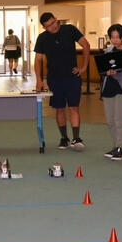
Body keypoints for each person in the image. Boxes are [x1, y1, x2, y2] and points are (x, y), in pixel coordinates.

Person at [34, 12, 90, 151]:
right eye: (48, 26)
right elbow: (38, 60)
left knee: (74, 107)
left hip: (72, 77)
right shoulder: (42, 38)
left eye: (53, 23)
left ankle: (76, 138)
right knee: (59, 109)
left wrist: (83, 67)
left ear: (56, 20)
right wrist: (39, 80)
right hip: (54, 78)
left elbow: (86, 45)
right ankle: (64, 138)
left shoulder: (69, 30)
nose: (52, 27)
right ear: (44, 27)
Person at [101, 24, 122, 161]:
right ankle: (117, 146)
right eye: (112, 37)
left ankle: (120, 147)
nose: (115, 40)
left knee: (118, 119)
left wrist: (115, 72)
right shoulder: (108, 50)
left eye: (117, 37)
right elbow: (103, 68)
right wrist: (106, 72)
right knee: (110, 120)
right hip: (109, 87)